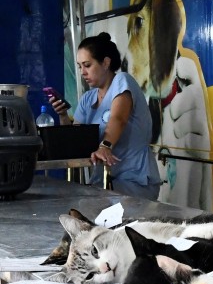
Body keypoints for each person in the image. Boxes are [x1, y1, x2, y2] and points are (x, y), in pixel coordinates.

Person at [50, 32, 162, 200]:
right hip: (103, 180)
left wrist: (105, 146)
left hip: (134, 180)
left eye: (87, 65)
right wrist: (63, 115)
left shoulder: (122, 81)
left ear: (105, 63)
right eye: (80, 66)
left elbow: (118, 118)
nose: (82, 72)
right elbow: (74, 140)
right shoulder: (88, 98)